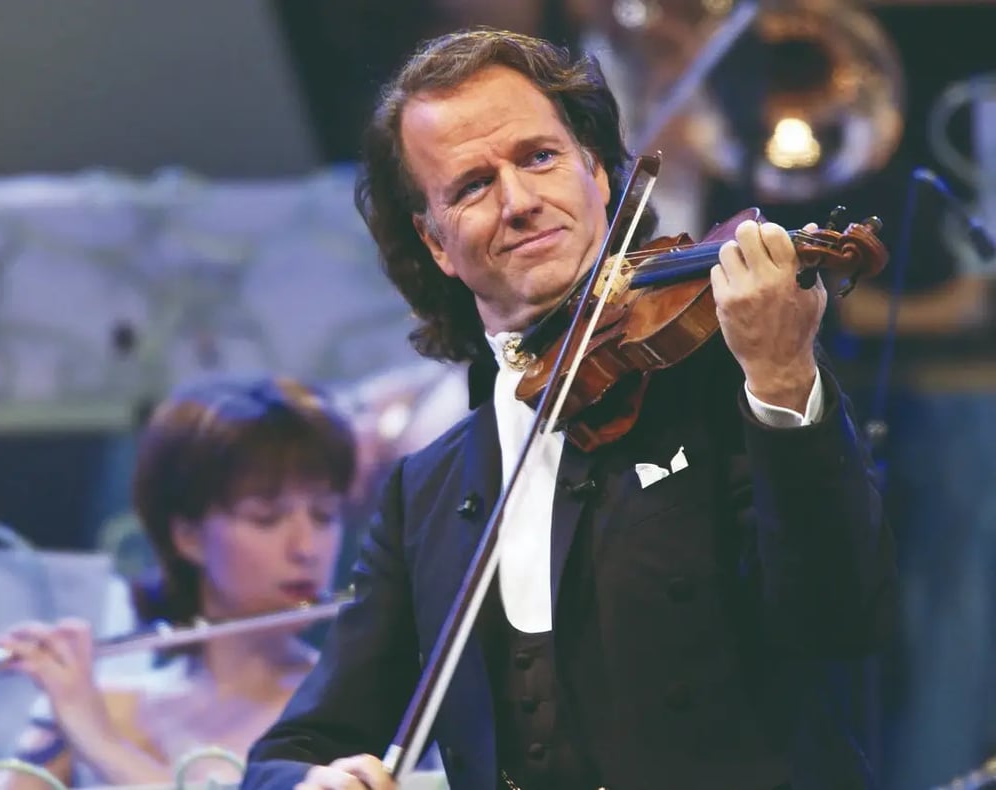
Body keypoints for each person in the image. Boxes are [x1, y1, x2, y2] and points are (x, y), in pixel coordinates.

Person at [241, 28, 898, 790]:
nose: (519, 202)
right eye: (472, 186)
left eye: (538, 157)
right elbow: (292, 751)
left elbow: (843, 619)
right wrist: (310, 782)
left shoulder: (736, 381)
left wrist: (784, 380)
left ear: (595, 170)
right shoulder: (424, 492)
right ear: (437, 243)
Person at [0, 376, 357, 789]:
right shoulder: (103, 704)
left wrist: (99, 741)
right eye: (267, 518)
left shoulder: (354, 709)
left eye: (325, 515)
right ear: (187, 535)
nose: (307, 548)